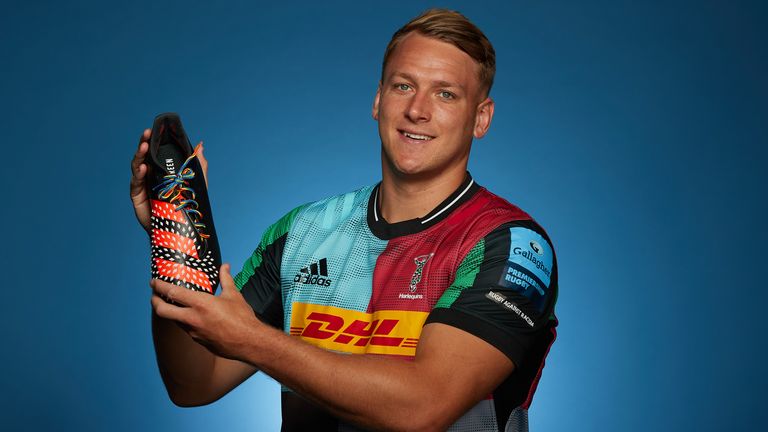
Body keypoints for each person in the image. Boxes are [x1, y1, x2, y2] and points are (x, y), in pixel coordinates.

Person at [130, 9, 558, 432]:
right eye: (403, 86)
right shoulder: (303, 232)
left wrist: (254, 340)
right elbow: (193, 383)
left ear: (480, 118)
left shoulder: (511, 246)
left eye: (446, 94)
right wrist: (177, 242)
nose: (417, 110)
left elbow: (423, 408)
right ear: (378, 99)